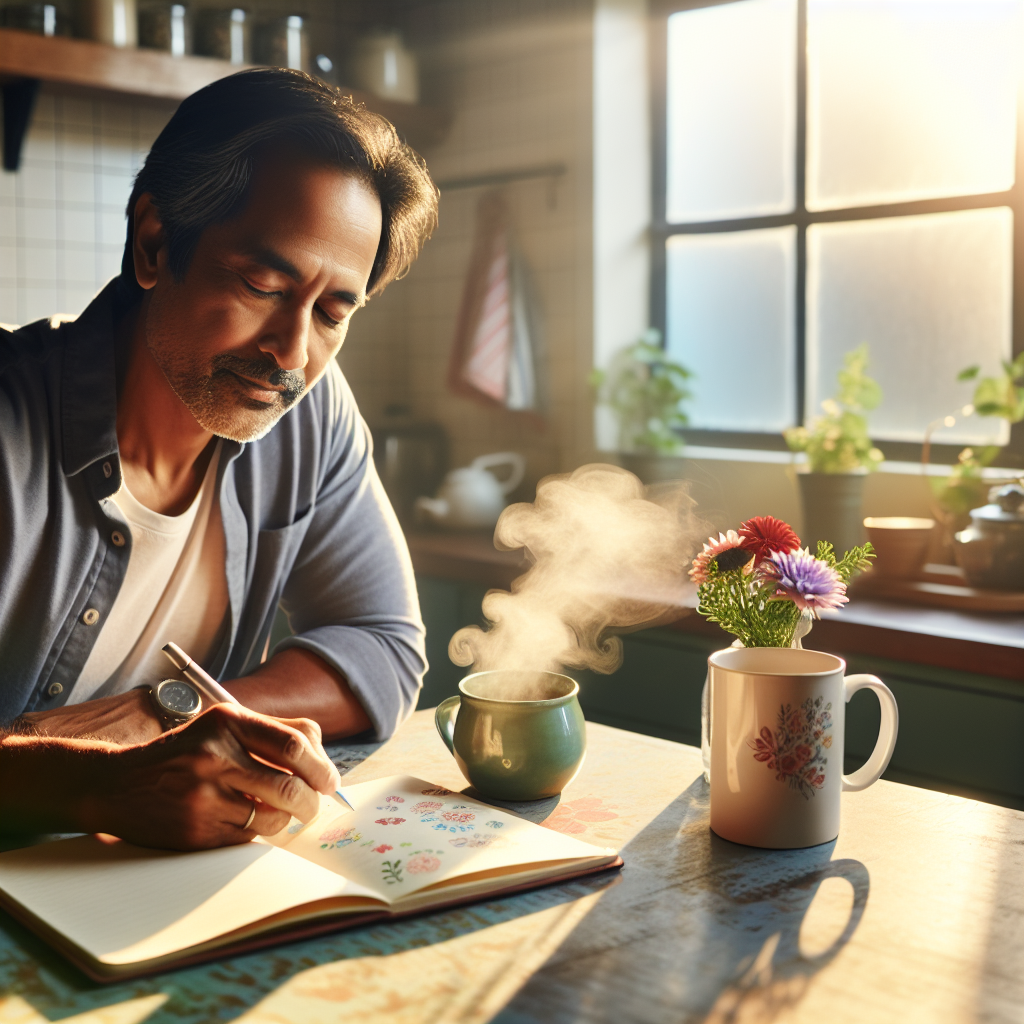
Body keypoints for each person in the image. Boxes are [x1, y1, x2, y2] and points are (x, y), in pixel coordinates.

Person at [0, 69, 439, 850]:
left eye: (334, 312)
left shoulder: (311, 411)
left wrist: (165, 710)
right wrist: (91, 782)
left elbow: (382, 644)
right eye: (262, 284)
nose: (293, 353)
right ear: (154, 242)